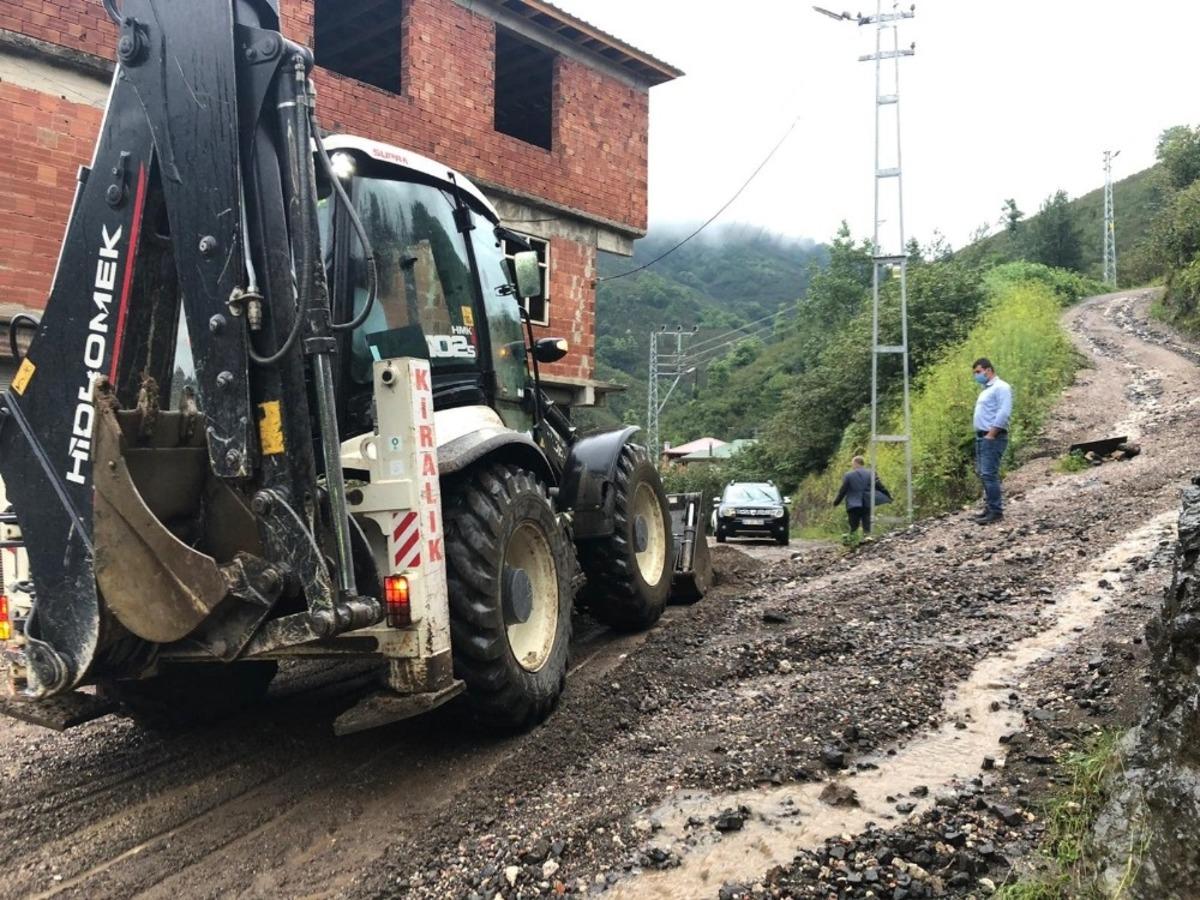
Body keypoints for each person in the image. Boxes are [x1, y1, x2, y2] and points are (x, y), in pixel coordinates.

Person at [971, 357, 1012, 525]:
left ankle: (996, 511)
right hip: (982, 436)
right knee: (984, 474)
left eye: (978, 372)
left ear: (988, 370)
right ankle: (989, 508)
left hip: (992, 436)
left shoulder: (1001, 387)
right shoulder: (986, 389)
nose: (977, 376)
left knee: (989, 474)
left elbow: (1004, 412)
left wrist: (991, 434)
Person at [832, 455, 891, 535]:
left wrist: (836, 502)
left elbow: (843, 491)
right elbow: (880, 486)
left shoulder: (848, 475)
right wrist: (888, 496)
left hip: (853, 504)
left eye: (852, 464)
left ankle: (853, 541)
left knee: (853, 527)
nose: (852, 466)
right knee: (867, 525)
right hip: (867, 502)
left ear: (856, 463)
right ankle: (867, 541)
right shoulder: (871, 473)